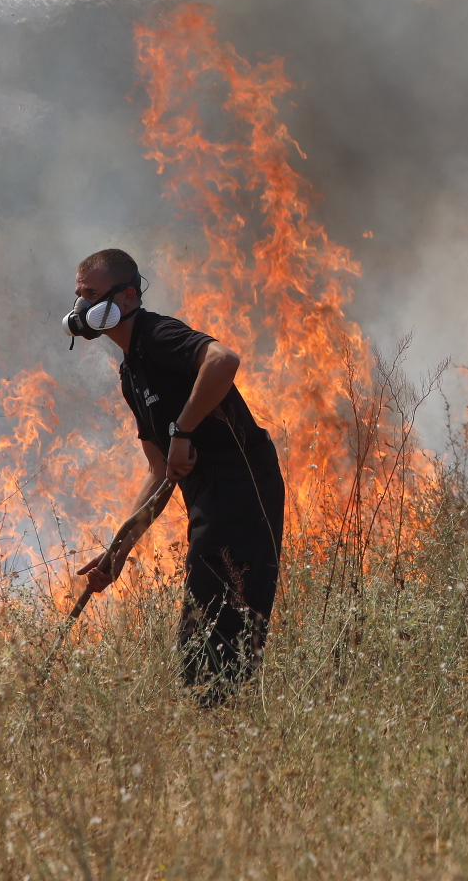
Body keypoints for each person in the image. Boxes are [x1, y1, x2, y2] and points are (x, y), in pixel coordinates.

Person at [68, 248, 285, 704]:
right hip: (207, 494)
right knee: (205, 607)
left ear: (127, 297)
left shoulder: (158, 334)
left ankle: (221, 713)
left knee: (222, 609)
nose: (81, 309)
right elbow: (157, 470)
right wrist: (118, 551)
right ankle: (212, 713)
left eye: (91, 295)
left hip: (240, 481)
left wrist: (183, 431)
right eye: (78, 296)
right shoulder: (132, 372)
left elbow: (223, 361)